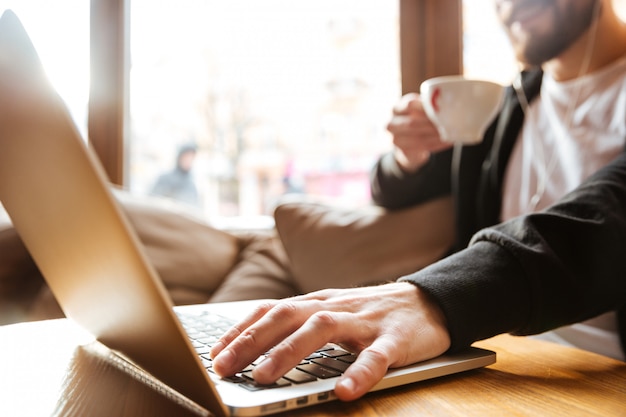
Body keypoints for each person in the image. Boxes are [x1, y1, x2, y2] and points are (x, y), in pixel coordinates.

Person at [210, 0, 626, 402]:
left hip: (604, 371)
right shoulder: (506, 107)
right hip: (490, 357)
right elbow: (392, 191)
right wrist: (409, 156)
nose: (510, 4)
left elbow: (608, 215)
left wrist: (437, 297)